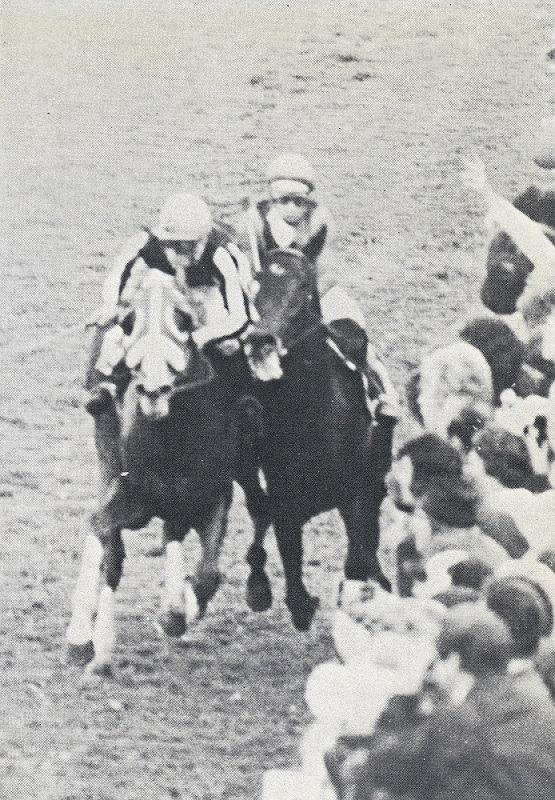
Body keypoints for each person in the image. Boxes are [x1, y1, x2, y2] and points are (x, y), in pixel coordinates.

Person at [240, 151, 400, 419]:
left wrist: (306, 297)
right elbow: (251, 266)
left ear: (309, 201)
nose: (291, 208)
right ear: (272, 199)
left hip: (314, 289)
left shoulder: (320, 221)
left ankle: (378, 387)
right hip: (270, 292)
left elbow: (327, 269)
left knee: (350, 323)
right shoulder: (254, 221)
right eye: (284, 200)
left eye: (298, 201)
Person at [85, 192, 254, 415]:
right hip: (171, 296)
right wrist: (113, 306)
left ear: (203, 239)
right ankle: (103, 385)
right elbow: (120, 279)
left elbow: (241, 315)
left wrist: (204, 336)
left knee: (231, 345)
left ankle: (244, 399)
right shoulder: (147, 245)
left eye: (187, 245)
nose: (178, 252)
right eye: (171, 244)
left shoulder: (222, 254)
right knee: (107, 324)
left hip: (211, 298)